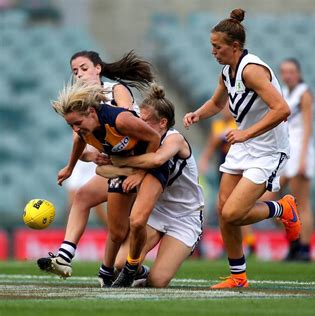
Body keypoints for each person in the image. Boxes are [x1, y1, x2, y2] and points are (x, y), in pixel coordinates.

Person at [183, 8, 301, 289]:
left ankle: (282, 209)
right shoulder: (227, 72)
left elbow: (282, 109)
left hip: (269, 149)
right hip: (244, 147)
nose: (213, 51)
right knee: (224, 209)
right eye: (212, 46)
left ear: (234, 46)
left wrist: (246, 132)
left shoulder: (252, 70)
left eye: (217, 46)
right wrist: (197, 114)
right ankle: (238, 276)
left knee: (233, 213)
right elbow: (216, 103)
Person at [37, 51, 154, 279]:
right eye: (74, 71)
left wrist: (128, 160)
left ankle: (122, 269)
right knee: (85, 198)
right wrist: (74, 165)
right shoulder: (78, 108)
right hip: (118, 163)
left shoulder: (115, 91)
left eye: (84, 68)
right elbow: (80, 141)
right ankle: (65, 256)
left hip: (139, 158)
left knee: (122, 229)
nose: (79, 74)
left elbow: (127, 119)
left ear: (98, 68)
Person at [51, 82, 167, 287]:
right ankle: (115, 271)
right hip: (122, 168)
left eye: (77, 123)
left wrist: (141, 173)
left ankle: (123, 268)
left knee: (136, 221)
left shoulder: (120, 120)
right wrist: (69, 168)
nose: (76, 129)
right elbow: (79, 142)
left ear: (91, 111)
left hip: (149, 164)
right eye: (71, 125)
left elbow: (154, 137)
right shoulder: (85, 129)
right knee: (117, 231)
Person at [97, 83, 204, 288]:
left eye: (145, 121)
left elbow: (156, 160)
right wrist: (110, 162)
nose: (140, 125)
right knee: (120, 263)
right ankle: (138, 272)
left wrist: (123, 163)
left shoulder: (175, 140)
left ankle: (149, 275)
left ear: (162, 122)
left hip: (186, 217)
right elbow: (102, 170)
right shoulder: (140, 141)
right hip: (157, 211)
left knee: (157, 281)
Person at [198, 106, 256, 255]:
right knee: (227, 209)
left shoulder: (239, 125)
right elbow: (211, 145)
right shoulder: (218, 126)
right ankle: (242, 243)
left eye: (228, 107)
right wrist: (204, 160)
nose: (225, 111)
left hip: (238, 170)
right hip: (224, 170)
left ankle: (245, 243)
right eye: (223, 108)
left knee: (232, 208)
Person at [277, 58, 315, 261]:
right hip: (285, 150)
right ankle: (294, 242)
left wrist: (303, 159)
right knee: (270, 199)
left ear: (298, 73)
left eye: (291, 71)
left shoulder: (304, 93)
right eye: (284, 71)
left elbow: (308, 127)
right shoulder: (283, 92)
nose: (287, 75)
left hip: (301, 149)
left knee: (302, 203)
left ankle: (305, 248)